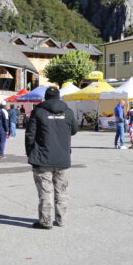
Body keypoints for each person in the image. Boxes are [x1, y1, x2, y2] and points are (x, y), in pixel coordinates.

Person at [25, 86, 78, 229]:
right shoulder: (68, 112)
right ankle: (61, 220)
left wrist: (30, 153)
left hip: (42, 157)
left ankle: (46, 221)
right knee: (62, 190)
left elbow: (30, 134)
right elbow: (74, 131)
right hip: (62, 157)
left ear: (46, 97)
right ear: (59, 97)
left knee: (45, 190)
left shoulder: (38, 111)